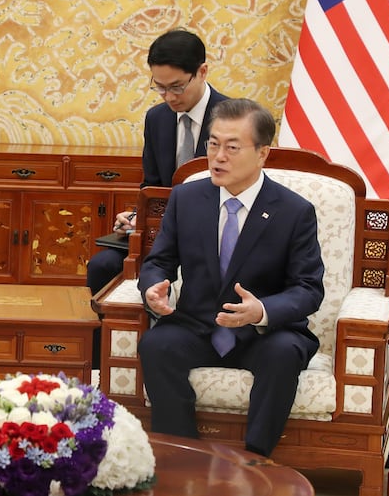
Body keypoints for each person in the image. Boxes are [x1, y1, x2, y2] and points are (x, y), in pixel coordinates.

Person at [137, 98, 324, 457]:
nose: (218, 156)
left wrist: (262, 310)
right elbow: (158, 262)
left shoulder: (294, 211)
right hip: (198, 324)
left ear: (262, 153)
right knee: (156, 345)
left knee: (283, 353)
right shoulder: (186, 198)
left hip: (264, 332)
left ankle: (255, 461)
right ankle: (183, 455)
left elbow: (309, 288)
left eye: (232, 147)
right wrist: (153, 289)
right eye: (213, 144)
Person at [86, 28, 229, 296]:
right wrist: (136, 217)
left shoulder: (234, 119)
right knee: (101, 265)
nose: (169, 96)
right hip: (162, 235)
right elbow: (151, 187)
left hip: (214, 236)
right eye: (160, 87)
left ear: (202, 72)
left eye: (177, 86)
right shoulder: (157, 118)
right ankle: (101, 339)